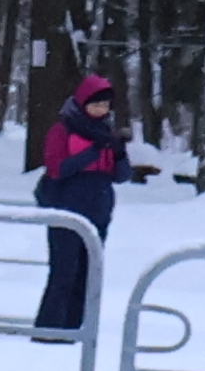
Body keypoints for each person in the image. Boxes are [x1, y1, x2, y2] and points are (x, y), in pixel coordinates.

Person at [28, 71, 130, 340]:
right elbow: (57, 169)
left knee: (87, 275)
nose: (101, 110)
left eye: (106, 105)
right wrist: (92, 152)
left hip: (99, 211)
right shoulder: (63, 130)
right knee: (64, 272)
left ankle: (74, 332)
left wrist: (118, 154)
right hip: (66, 210)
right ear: (83, 102)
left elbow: (122, 176)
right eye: (96, 104)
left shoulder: (107, 133)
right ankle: (48, 332)